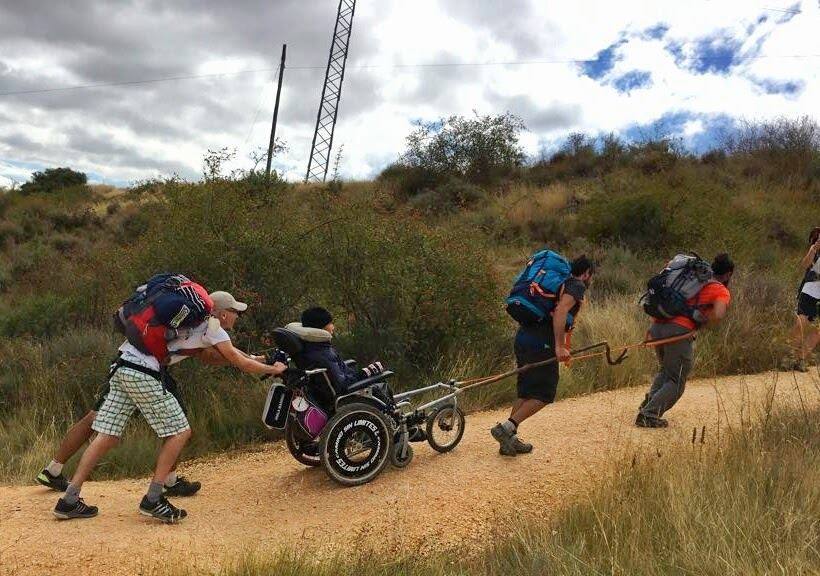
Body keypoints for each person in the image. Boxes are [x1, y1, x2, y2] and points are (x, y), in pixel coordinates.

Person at [51, 291, 287, 523]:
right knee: (180, 432)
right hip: (144, 373)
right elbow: (238, 361)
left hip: (123, 365)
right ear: (222, 314)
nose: (238, 316)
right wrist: (273, 370)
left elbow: (231, 354)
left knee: (107, 434)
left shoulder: (193, 322)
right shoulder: (213, 328)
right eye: (235, 311)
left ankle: (69, 500)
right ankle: (154, 498)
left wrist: (261, 359)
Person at [491, 255, 595, 457]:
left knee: (526, 391)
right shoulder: (576, 285)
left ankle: (509, 441)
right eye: (591, 276)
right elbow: (560, 312)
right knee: (543, 394)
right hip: (542, 340)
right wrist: (558, 347)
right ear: (586, 273)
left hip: (524, 337)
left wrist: (565, 346)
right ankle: (507, 428)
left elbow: (565, 320)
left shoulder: (560, 284)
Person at [636, 253, 734, 428]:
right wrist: (701, 324)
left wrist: (652, 330)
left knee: (666, 371)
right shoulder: (719, 289)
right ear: (728, 274)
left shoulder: (693, 280)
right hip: (678, 332)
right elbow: (719, 314)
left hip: (657, 326)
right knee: (676, 379)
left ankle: (649, 404)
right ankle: (648, 415)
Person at [782, 227, 820, 372]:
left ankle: (801, 359)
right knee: (800, 324)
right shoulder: (815, 250)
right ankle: (789, 358)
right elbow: (804, 265)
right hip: (810, 290)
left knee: (817, 331)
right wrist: (813, 249)